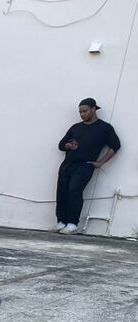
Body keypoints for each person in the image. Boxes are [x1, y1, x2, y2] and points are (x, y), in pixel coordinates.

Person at [54, 98, 120, 234]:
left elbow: (115, 145)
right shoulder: (76, 127)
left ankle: (72, 224)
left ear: (94, 109)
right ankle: (61, 222)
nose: (82, 114)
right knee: (62, 192)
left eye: (85, 111)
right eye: (80, 112)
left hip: (85, 166)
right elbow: (61, 145)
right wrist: (68, 146)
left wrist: (101, 162)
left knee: (74, 191)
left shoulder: (104, 128)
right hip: (67, 165)